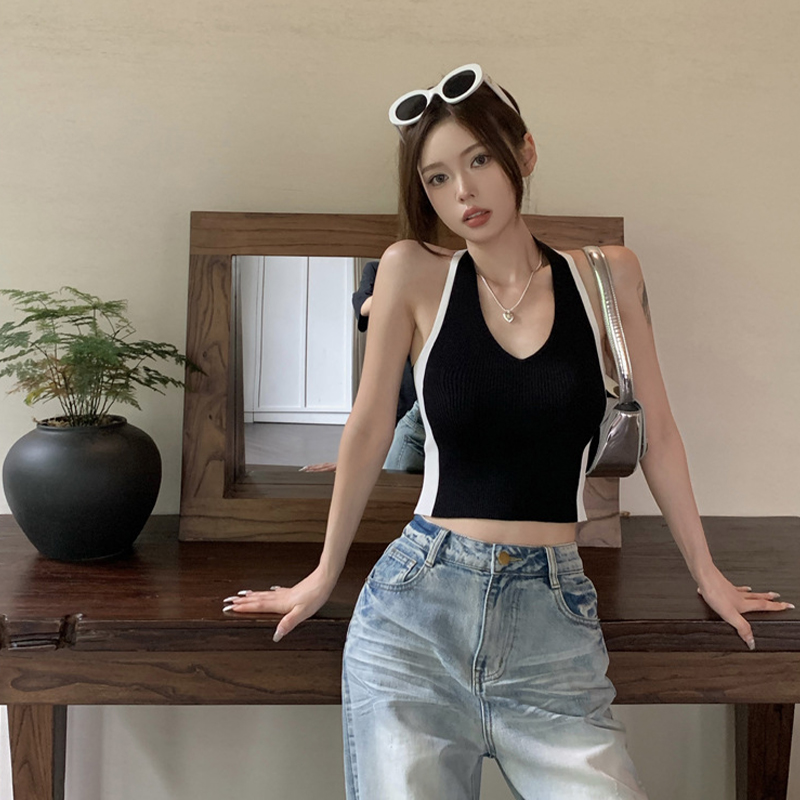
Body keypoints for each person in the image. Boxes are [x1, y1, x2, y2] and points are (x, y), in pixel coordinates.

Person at [223, 63, 791, 798]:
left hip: (552, 622)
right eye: (437, 178)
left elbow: (660, 437)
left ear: (524, 153)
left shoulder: (607, 277)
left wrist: (706, 574)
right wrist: (324, 573)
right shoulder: (411, 271)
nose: (462, 192)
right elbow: (367, 428)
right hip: (416, 615)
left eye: (480, 161)